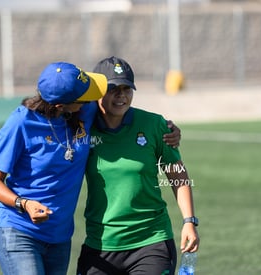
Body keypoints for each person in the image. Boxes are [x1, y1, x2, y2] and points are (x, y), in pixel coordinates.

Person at [0, 61, 181, 275]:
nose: (92, 99)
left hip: (59, 236)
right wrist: (24, 203)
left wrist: (166, 128)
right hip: (20, 228)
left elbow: (120, 107)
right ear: (62, 105)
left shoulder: (83, 111)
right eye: (85, 96)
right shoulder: (20, 123)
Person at [76, 56, 200, 275]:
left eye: (127, 88)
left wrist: (189, 221)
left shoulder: (155, 125)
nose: (121, 95)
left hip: (151, 242)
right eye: (113, 89)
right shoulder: (81, 127)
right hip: (100, 244)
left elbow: (178, 176)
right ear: (97, 92)